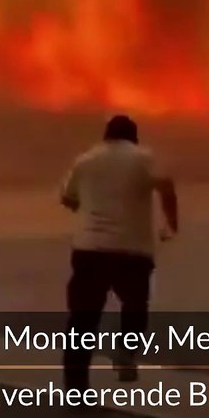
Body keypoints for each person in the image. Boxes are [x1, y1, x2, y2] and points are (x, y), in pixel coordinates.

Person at [59, 114, 177, 392]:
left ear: (106, 136)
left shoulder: (85, 160)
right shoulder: (143, 158)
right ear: (133, 137)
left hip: (89, 249)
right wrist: (172, 222)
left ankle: (76, 388)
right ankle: (126, 353)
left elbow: (68, 198)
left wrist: (90, 207)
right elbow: (166, 186)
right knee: (135, 306)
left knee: (82, 321)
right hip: (131, 250)